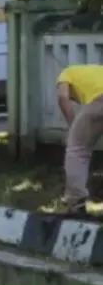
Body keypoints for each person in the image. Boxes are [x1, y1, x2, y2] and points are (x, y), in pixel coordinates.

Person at [56, 63, 103, 215]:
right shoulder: (95, 72)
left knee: (77, 149)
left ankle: (76, 202)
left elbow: (62, 96)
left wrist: (72, 124)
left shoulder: (65, 74)